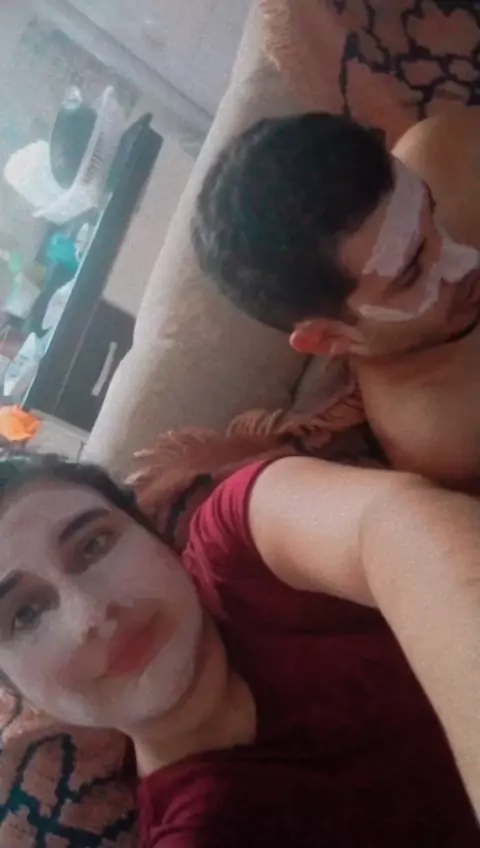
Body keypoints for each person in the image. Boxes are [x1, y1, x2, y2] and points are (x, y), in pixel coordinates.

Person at [3, 451, 480, 845]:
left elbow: (396, 521)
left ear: (152, 534)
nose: (91, 615)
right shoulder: (201, 830)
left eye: (93, 545)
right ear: (16, 690)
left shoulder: (239, 545)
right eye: (24, 615)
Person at [192, 113, 480, 490]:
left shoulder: (442, 150)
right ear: (328, 338)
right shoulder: (448, 435)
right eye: (411, 272)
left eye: (432, 208)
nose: (467, 258)